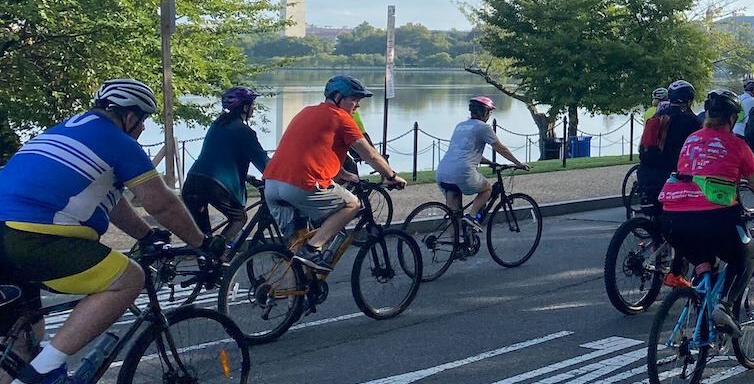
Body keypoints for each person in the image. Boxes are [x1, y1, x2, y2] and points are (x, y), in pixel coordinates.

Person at [0, 80, 213, 384]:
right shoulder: (119, 142)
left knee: (23, 345)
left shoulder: (62, 130)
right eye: (142, 121)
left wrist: (145, 234)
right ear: (129, 117)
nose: (142, 129)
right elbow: (162, 203)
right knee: (129, 278)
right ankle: (46, 370)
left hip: (6, 233)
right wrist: (202, 244)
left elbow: (110, 202)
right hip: (35, 238)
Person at [658, 90, 754, 338]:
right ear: (731, 118)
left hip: (672, 218)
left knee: (705, 262)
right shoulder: (737, 145)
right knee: (746, 254)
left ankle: (700, 319)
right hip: (713, 217)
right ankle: (724, 306)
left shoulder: (692, 139)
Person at [262, 75, 406, 274]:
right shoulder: (340, 117)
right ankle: (314, 248)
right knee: (352, 204)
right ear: (338, 97)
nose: (357, 105)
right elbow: (370, 154)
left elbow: (313, 150)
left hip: (272, 184)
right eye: (354, 99)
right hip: (300, 184)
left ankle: (292, 300)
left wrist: (343, 173)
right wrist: (391, 175)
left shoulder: (307, 111)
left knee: (294, 249)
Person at [181, 86, 270, 250]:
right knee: (239, 219)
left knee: (202, 239)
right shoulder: (244, 131)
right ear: (245, 107)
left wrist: (247, 176)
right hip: (215, 185)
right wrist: (281, 176)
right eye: (253, 104)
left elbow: (219, 158)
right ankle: (219, 246)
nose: (254, 108)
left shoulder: (217, 125)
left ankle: (207, 267)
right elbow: (265, 164)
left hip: (193, 180)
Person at [435, 96, 530, 222]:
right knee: (487, 189)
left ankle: (457, 240)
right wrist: (518, 163)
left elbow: (464, 153)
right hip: (462, 173)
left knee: (454, 215)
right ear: (486, 113)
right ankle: (472, 216)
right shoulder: (483, 127)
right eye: (490, 112)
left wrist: (490, 162)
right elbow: (501, 148)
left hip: (443, 171)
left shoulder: (460, 126)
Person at [638, 79, 702, 208]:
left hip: (646, 173)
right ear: (689, 101)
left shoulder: (657, 116)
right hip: (672, 177)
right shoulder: (692, 121)